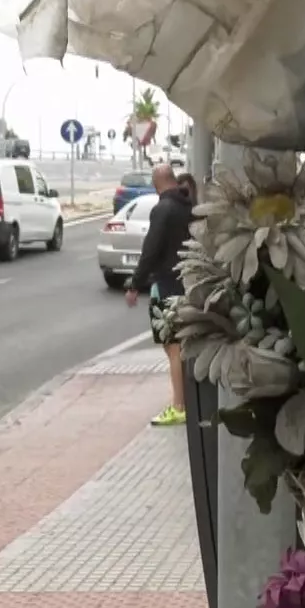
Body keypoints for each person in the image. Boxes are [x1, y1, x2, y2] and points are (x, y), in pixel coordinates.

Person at [126, 164, 194, 427]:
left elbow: (151, 249)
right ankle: (185, 399)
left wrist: (135, 284)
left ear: (156, 184)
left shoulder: (163, 209)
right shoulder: (189, 206)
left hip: (167, 283)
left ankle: (179, 406)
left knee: (172, 345)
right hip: (187, 282)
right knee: (181, 345)